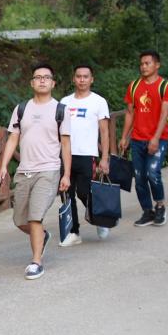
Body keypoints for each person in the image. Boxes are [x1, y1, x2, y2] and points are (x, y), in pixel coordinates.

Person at [0, 62, 72, 280]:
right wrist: (3, 165)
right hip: (24, 171)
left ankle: (36, 261)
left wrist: (66, 174)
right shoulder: (21, 109)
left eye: (46, 77)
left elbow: (66, 144)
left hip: (49, 170)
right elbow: (13, 139)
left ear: (53, 83)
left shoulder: (60, 110)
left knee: (35, 217)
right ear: (32, 83)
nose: (42, 81)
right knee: (20, 220)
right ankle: (43, 236)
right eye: (38, 77)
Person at [118, 51, 168, 227]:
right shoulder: (134, 86)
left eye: (147, 63)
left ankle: (160, 206)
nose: (143, 67)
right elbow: (130, 113)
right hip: (137, 139)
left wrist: (155, 138)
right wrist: (124, 137)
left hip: (159, 138)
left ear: (157, 65)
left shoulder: (165, 86)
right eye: (141, 64)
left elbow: (164, 114)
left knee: (153, 174)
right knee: (139, 177)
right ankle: (147, 211)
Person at [59, 64, 111, 244]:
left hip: (87, 154)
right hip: (66, 154)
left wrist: (105, 158)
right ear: (74, 79)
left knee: (83, 191)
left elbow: (104, 131)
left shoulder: (99, 101)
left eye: (85, 76)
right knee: (67, 194)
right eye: (78, 76)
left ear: (91, 79)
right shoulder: (65, 102)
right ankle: (74, 232)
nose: (82, 80)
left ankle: (100, 218)